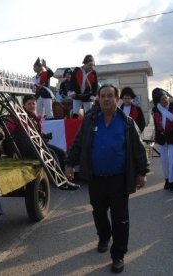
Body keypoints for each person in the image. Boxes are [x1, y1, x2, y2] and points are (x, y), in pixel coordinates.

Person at [65, 85, 149, 273]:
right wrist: (70, 163)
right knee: (99, 213)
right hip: (96, 179)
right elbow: (78, 143)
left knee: (120, 219)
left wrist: (142, 172)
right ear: (98, 98)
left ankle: (118, 255)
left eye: (110, 96)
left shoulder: (127, 122)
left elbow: (138, 149)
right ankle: (104, 237)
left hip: (119, 180)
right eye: (103, 96)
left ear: (117, 98)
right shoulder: (89, 120)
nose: (106, 99)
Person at [151, 88, 173, 193]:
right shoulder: (156, 109)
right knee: (164, 161)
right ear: (158, 101)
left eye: (165, 98)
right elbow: (156, 124)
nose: (165, 100)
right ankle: (167, 180)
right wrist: (156, 137)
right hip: (162, 137)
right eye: (162, 99)